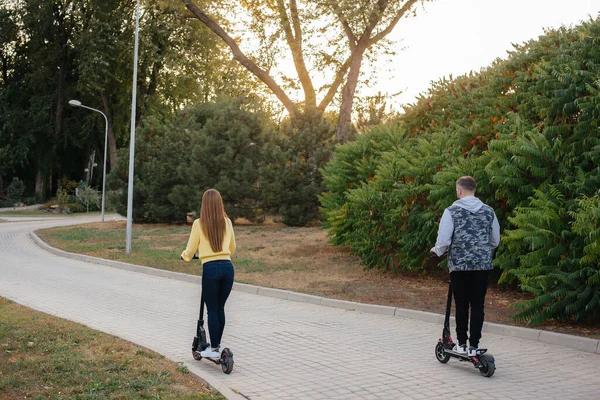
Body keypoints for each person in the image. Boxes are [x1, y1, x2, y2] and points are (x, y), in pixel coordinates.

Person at [431, 176, 500, 357]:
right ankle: (474, 345)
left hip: (460, 267)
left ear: (459, 191)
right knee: (478, 304)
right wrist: (481, 249)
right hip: (482, 266)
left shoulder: (451, 211)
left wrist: (437, 251)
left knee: (461, 305)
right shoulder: (489, 211)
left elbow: (444, 240)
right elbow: (495, 240)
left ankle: (461, 343)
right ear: (474, 190)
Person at [181, 188, 236, 358]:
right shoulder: (227, 222)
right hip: (228, 268)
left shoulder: (199, 223)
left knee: (211, 309)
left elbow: (190, 250)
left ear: (204, 204)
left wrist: (185, 257)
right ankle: (217, 346)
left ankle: (214, 349)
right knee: (220, 308)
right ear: (220, 204)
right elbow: (232, 248)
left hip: (210, 268)